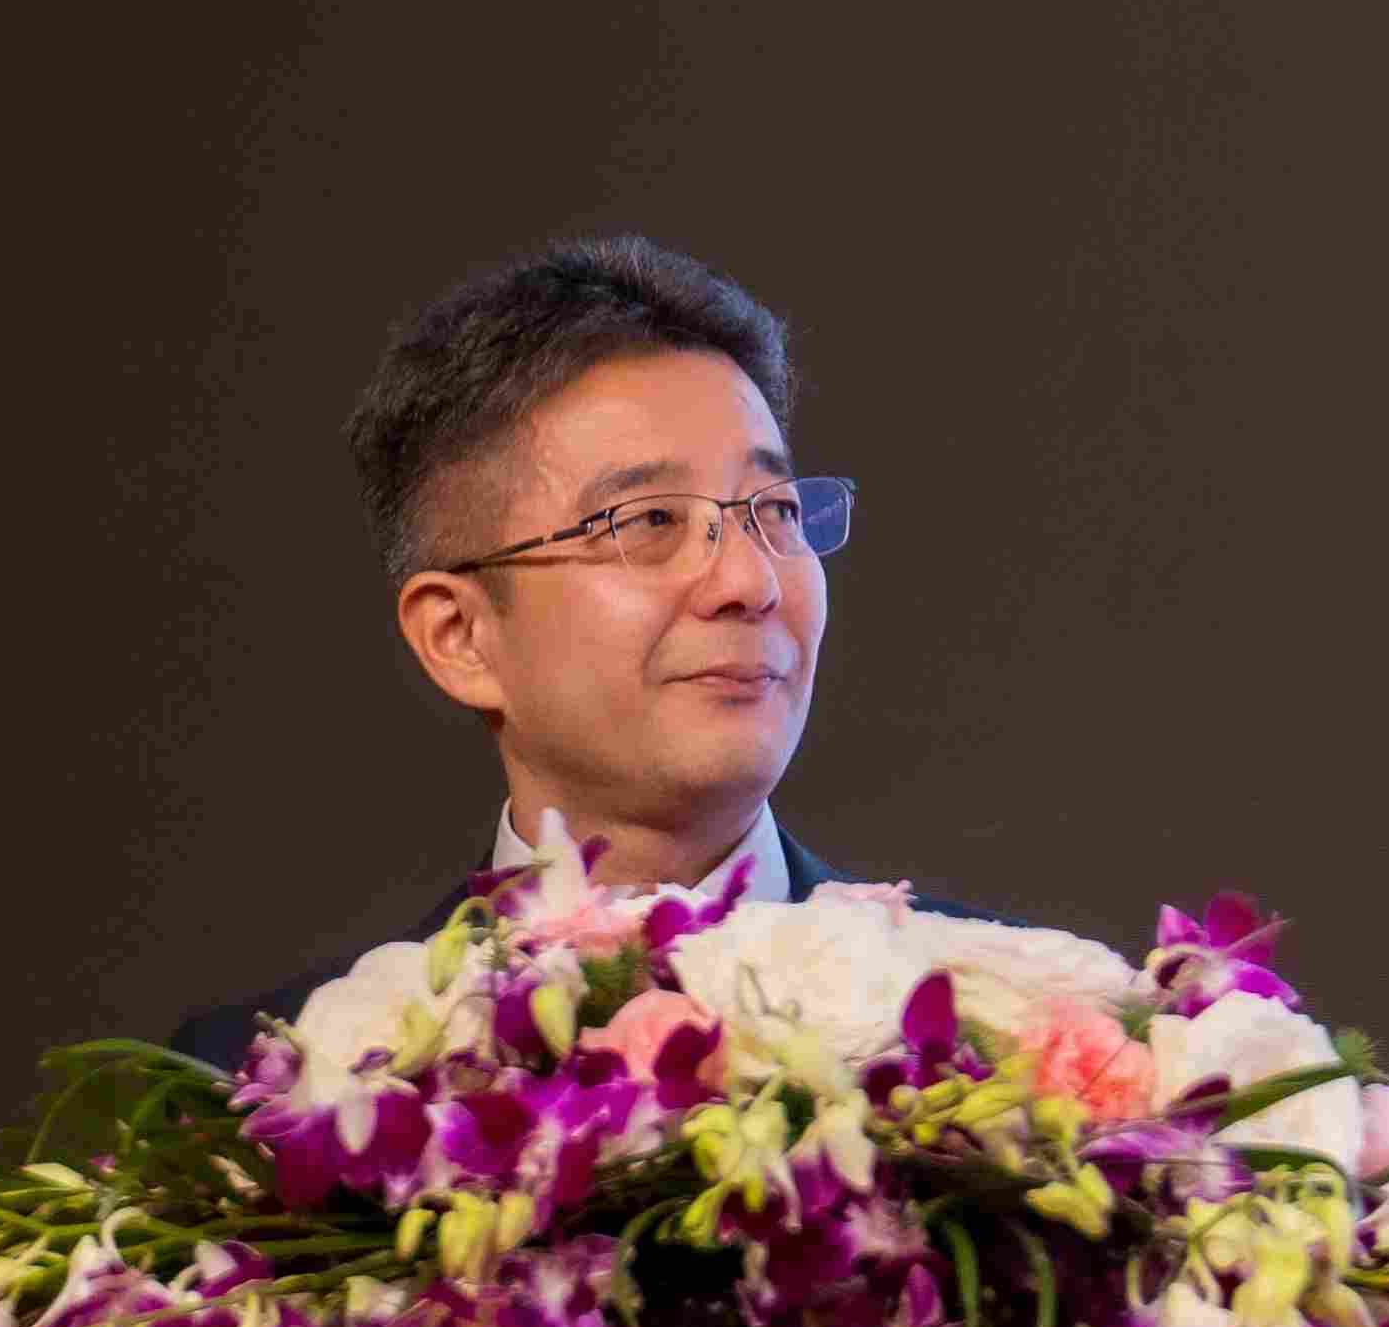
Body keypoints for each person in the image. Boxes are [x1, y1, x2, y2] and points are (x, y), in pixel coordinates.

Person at [167, 234, 1009, 1071]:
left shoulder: (1016, 1033)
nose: (749, 581)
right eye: (649, 520)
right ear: (459, 636)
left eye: (775, 511)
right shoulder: (271, 1087)